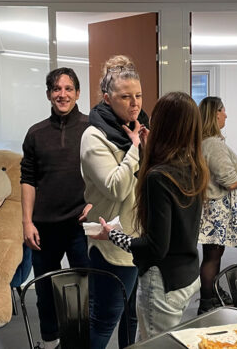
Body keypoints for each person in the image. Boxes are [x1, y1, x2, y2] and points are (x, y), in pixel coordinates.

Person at [91, 91, 208, 341]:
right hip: (187, 276)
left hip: (163, 282)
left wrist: (114, 236)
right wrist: (145, 149)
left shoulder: (158, 177)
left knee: (154, 344)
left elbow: (155, 247)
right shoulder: (195, 167)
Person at [20, 67, 91, 349]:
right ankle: (50, 343)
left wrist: (93, 202)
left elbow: (104, 174)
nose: (62, 94)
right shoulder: (36, 133)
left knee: (83, 290)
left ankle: (80, 343)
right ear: (49, 94)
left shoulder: (91, 128)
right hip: (44, 226)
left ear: (77, 93)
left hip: (81, 225)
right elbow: (28, 179)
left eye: (68, 88)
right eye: (56, 89)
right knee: (46, 291)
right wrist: (27, 222)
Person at [80, 55, 148, 349]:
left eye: (138, 96)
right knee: (105, 319)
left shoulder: (138, 128)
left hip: (138, 238)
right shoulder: (94, 136)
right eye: (125, 97)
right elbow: (117, 188)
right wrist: (136, 149)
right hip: (110, 241)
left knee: (132, 317)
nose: (134, 103)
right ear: (107, 99)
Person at [196, 97, 237, 314]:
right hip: (215, 207)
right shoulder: (213, 144)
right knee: (212, 255)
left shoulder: (203, 141)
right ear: (215, 114)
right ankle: (207, 302)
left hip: (211, 205)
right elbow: (229, 180)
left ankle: (212, 293)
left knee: (214, 254)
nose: (226, 115)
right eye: (223, 111)